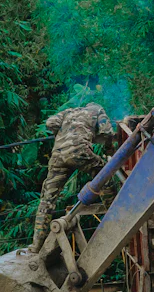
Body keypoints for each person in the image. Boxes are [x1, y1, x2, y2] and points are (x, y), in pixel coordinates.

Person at [31, 103, 114, 252]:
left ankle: (36, 245)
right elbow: (107, 131)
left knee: (47, 198)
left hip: (58, 155)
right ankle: (115, 220)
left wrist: (62, 134)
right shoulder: (98, 109)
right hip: (79, 151)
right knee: (104, 175)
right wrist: (109, 149)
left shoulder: (68, 111)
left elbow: (50, 123)